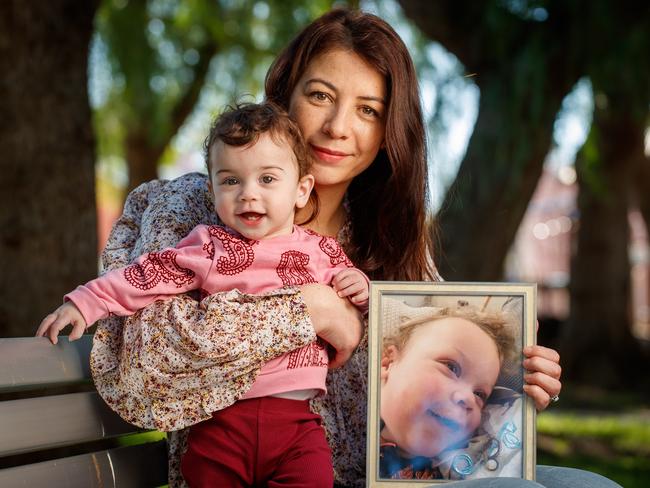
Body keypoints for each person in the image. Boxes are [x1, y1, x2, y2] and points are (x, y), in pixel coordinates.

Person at [43, 7, 621, 488]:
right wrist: (309, 311)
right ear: (284, 96)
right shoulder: (197, 205)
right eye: (320, 95)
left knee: (590, 485)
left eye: (368, 110)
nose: (338, 127)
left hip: (389, 477)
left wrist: (510, 386)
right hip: (236, 468)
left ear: (389, 129)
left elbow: (436, 383)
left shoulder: (387, 237)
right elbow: (146, 365)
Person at [36, 102, 369, 487]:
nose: (247, 194)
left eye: (267, 179)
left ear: (301, 189)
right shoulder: (211, 247)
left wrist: (360, 287)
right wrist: (85, 301)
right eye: (230, 181)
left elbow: (356, 309)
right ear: (212, 191)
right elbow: (147, 276)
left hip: (298, 425)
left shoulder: (323, 252)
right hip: (222, 422)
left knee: (314, 478)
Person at [379, 307, 518, 480]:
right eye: (451, 367)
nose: (468, 398)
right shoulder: (348, 442)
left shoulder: (467, 465)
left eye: (479, 394)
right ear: (388, 363)